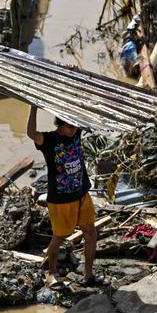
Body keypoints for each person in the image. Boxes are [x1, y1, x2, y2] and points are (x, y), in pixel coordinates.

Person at [26, 105, 98, 287]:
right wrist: (33, 107)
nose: (74, 131)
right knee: (60, 236)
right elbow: (31, 133)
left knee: (90, 232)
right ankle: (51, 272)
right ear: (60, 125)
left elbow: (88, 114)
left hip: (81, 193)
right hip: (61, 199)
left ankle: (88, 275)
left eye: (75, 127)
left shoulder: (75, 132)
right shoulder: (50, 139)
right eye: (70, 127)